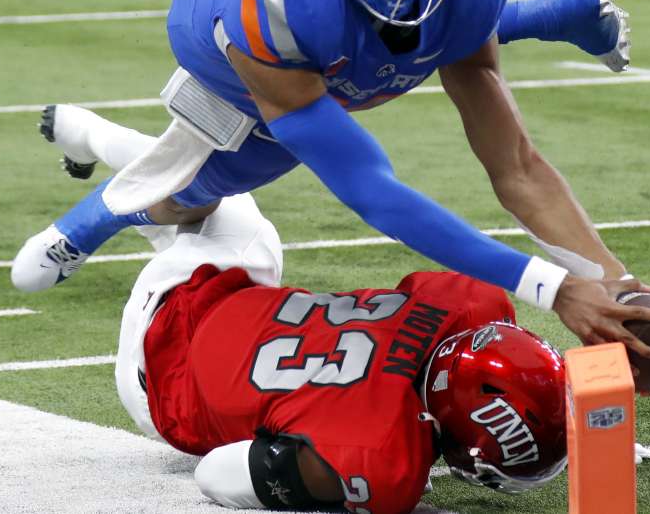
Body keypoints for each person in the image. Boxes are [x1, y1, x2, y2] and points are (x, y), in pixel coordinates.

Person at [14, 0, 650, 358]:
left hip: (336, 40)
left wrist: (615, 283)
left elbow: (517, 165)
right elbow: (374, 192)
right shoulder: (275, 3)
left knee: (417, 32)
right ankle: (97, 208)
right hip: (229, 50)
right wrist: (552, 288)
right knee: (196, 196)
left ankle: (559, 12)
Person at [114, 189, 571, 514]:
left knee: (222, 184)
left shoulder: (474, 307)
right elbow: (213, 474)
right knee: (208, 182)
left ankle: (86, 139)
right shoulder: (385, 459)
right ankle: (83, 217)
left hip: (207, 287)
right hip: (159, 383)